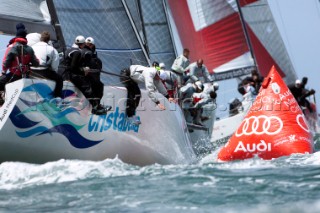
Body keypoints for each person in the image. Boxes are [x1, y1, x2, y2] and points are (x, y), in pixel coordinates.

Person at [64, 35, 109, 115]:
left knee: (95, 85)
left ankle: (97, 105)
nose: (87, 45)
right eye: (86, 44)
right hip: (74, 74)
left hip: (70, 73)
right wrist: (83, 71)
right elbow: (73, 67)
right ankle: (96, 107)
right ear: (83, 44)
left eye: (89, 44)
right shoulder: (80, 52)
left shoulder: (71, 50)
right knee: (92, 87)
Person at [0, 23, 39, 104]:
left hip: (13, 76)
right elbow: (36, 63)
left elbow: (5, 63)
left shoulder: (12, 47)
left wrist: (3, 72)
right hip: (25, 77)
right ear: (25, 36)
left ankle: (2, 102)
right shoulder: (30, 49)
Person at [29, 31, 63, 98]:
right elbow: (54, 67)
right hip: (43, 72)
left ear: (41, 38)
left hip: (31, 72)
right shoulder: (52, 49)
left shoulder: (32, 47)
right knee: (59, 79)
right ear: (48, 40)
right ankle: (57, 97)